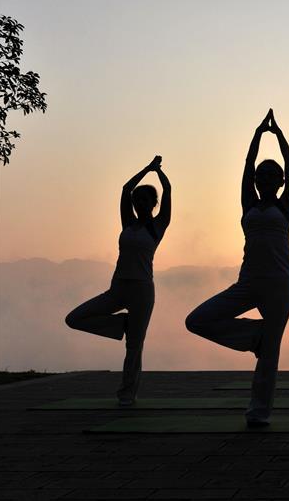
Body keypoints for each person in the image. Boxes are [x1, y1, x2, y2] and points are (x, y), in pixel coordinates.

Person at [186, 109, 289, 427]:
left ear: (281, 182)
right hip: (248, 281)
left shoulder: (285, 206)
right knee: (198, 320)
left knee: (271, 352)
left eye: (271, 177)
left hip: (279, 282)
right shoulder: (249, 203)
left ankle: (258, 413)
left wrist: (279, 136)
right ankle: (254, 337)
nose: (264, 180)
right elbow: (247, 169)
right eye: (262, 177)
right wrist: (258, 135)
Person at [66, 156, 171, 405]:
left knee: (134, 346)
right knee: (75, 318)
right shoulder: (128, 223)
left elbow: (167, 190)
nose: (140, 203)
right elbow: (125, 189)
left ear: (154, 204)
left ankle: (127, 395)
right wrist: (146, 169)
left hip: (142, 290)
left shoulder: (158, 226)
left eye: (145, 200)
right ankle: (120, 325)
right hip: (118, 287)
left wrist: (158, 173)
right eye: (137, 200)